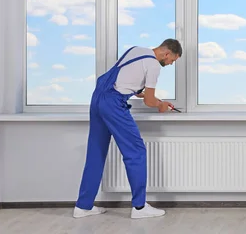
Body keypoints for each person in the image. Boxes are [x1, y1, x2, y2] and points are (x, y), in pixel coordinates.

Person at [73, 39, 182, 219]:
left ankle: (83, 206)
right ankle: (139, 207)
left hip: (98, 98)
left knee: (96, 153)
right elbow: (149, 101)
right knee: (136, 151)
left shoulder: (137, 50)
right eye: (172, 60)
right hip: (113, 104)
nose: (170, 64)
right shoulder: (154, 65)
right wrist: (160, 105)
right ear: (167, 54)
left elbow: (125, 80)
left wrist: (143, 93)